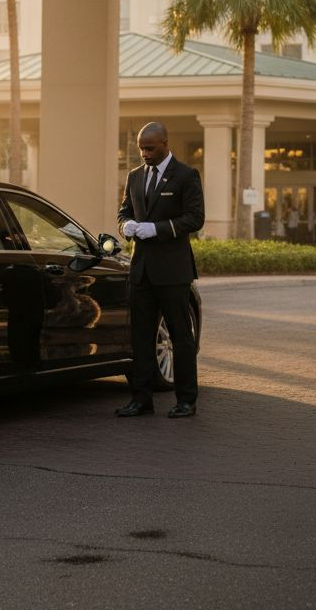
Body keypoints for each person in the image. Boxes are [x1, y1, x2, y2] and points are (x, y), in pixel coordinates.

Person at [115, 122, 205, 418]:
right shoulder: (134, 176)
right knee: (140, 337)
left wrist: (158, 229)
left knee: (181, 338)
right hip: (141, 271)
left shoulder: (186, 175)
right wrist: (125, 225)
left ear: (165, 144)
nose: (144, 154)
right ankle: (141, 400)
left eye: (149, 148)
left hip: (173, 272)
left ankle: (186, 401)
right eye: (141, 148)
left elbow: (195, 218)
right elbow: (124, 211)